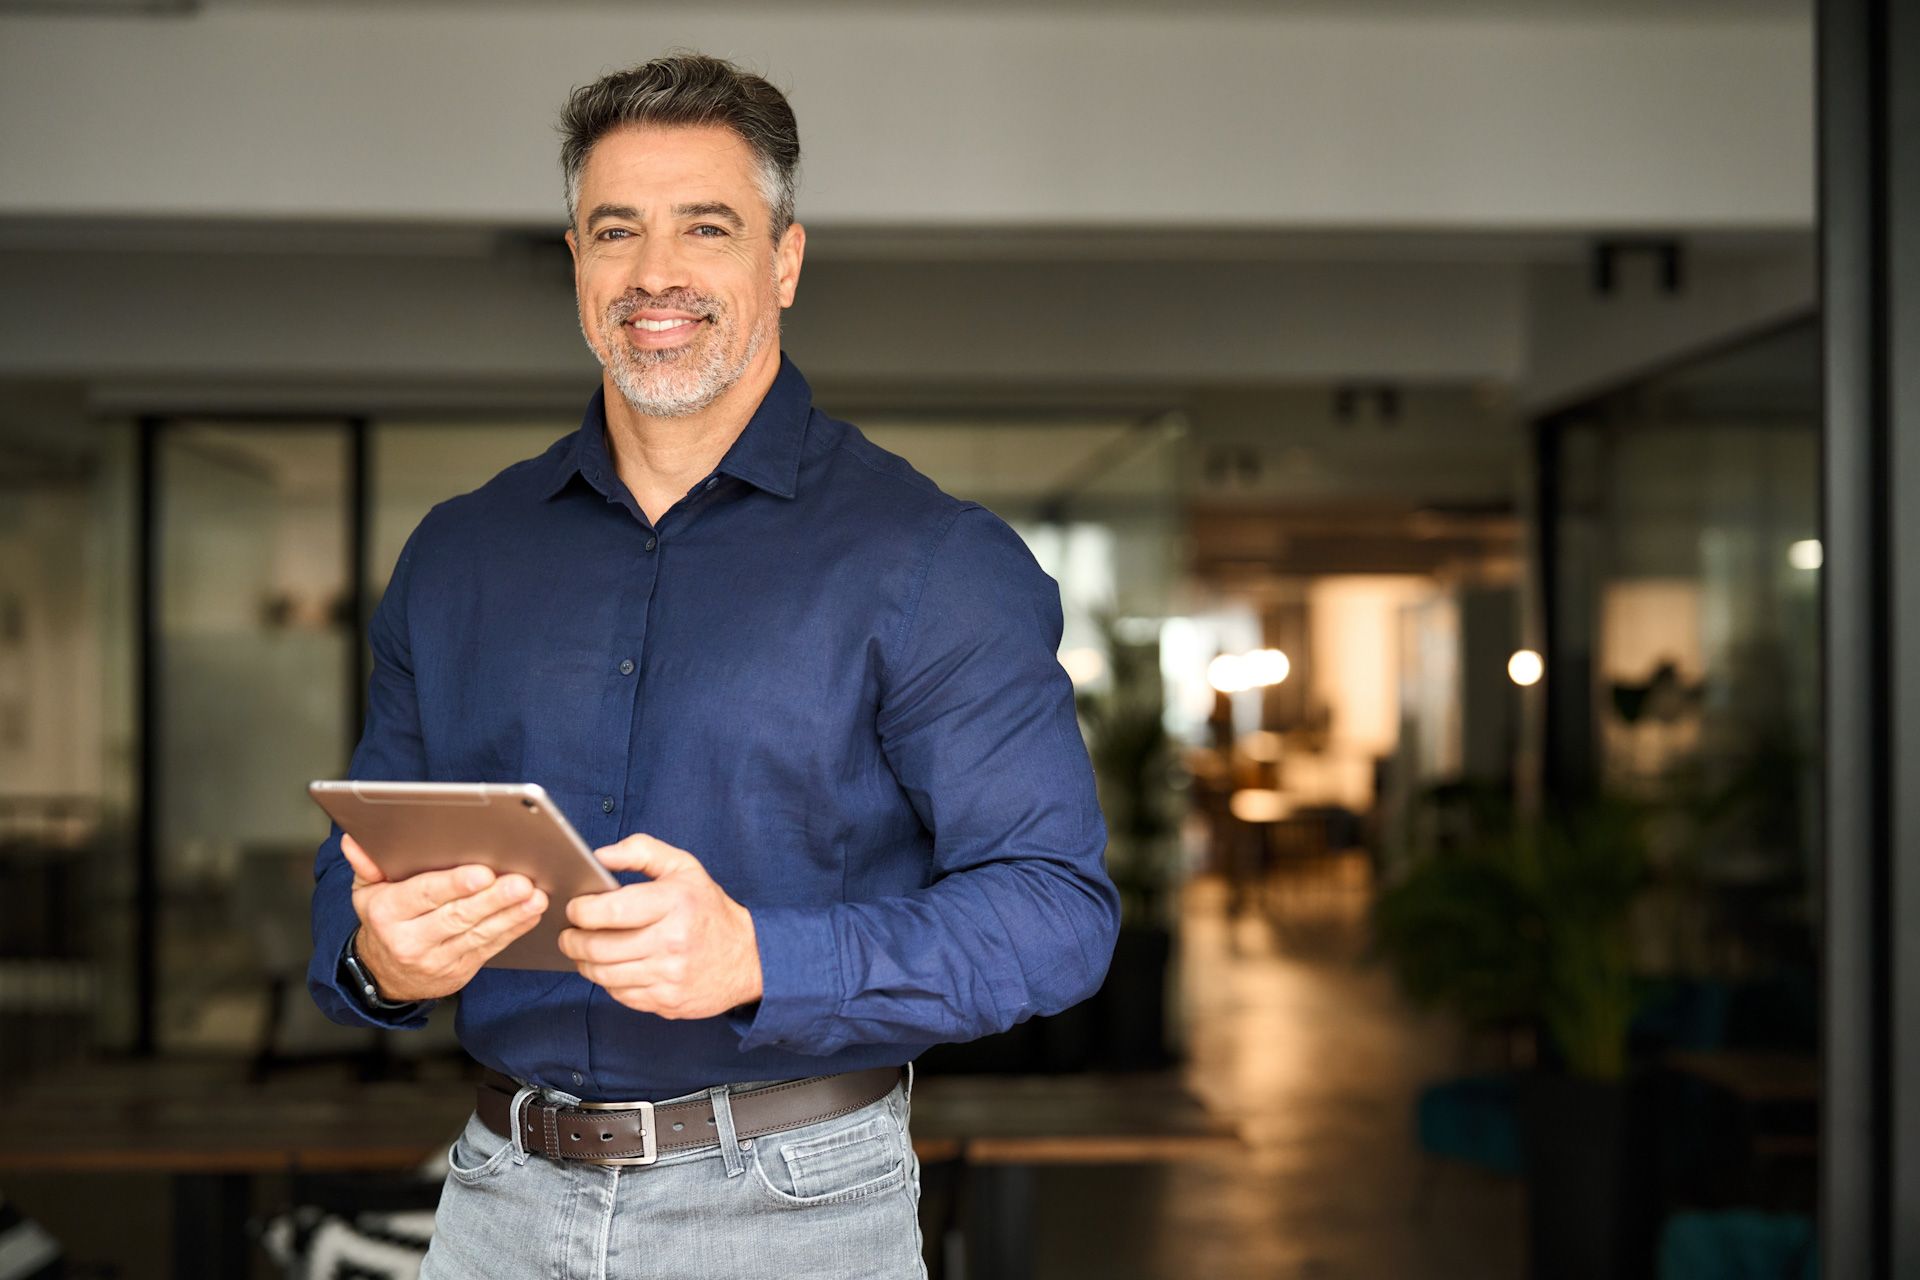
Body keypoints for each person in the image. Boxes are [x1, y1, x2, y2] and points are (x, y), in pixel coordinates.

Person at [306, 52, 1120, 1279]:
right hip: (493, 1203)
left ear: (783, 261)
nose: (654, 274)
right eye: (614, 230)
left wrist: (759, 959)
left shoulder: (932, 559)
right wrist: (382, 958)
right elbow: (353, 881)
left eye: (707, 226)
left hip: (793, 1213)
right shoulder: (459, 553)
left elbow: (1057, 911)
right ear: (578, 264)